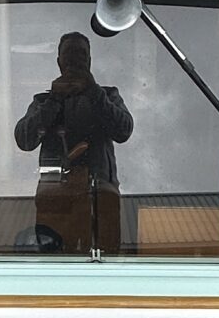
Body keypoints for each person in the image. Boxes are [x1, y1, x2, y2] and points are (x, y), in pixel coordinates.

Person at [14, 31, 133, 253]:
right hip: (56, 198)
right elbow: (24, 139)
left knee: (105, 259)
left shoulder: (107, 96)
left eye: (81, 54)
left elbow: (124, 130)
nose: (75, 59)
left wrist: (93, 92)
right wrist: (54, 100)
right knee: (54, 260)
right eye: (69, 53)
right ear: (59, 62)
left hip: (99, 197)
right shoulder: (43, 101)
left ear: (89, 61)